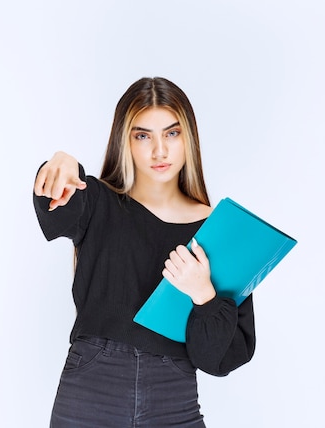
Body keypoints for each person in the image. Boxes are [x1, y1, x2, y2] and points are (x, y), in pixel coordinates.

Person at [33, 77, 256, 427]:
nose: (159, 151)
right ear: (125, 140)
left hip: (174, 397)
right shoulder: (96, 201)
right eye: (142, 135)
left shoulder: (218, 231)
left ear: (189, 138)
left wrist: (204, 295)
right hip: (91, 389)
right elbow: (56, 205)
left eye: (171, 133)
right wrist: (61, 164)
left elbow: (218, 359)